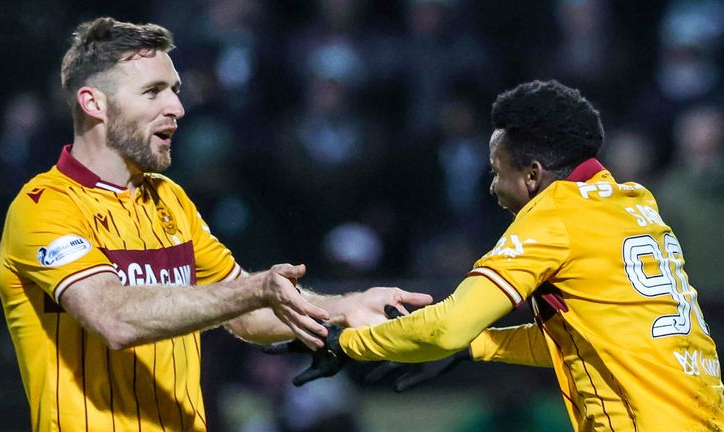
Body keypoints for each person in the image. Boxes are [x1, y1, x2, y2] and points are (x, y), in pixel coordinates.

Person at [0, 17, 432, 432]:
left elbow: (248, 315)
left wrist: (345, 309)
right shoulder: (44, 207)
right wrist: (253, 288)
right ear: (94, 103)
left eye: (176, 90)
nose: (178, 107)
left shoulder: (169, 198)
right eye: (153, 92)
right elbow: (114, 319)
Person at [277, 80, 724, 431]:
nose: (492, 188)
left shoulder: (556, 215)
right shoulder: (632, 203)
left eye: (497, 172)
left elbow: (449, 325)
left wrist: (347, 343)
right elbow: (592, 341)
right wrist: (480, 346)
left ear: (533, 175)